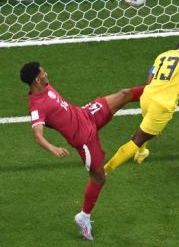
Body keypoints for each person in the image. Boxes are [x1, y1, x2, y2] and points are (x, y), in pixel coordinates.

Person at [20, 62, 144, 240]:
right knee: (99, 177)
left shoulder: (45, 86)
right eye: (43, 71)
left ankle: (158, 88)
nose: (46, 73)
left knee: (124, 94)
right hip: (85, 140)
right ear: (37, 79)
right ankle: (83, 217)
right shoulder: (36, 105)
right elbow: (38, 135)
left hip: (86, 114)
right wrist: (53, 148)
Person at [104, 41, 179, 173]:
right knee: (137, 139)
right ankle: (105, 170)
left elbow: (151, 75)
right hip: (162, 104)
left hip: (147, 97)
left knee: (144, 126)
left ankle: (142, 152)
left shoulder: (163, 55)